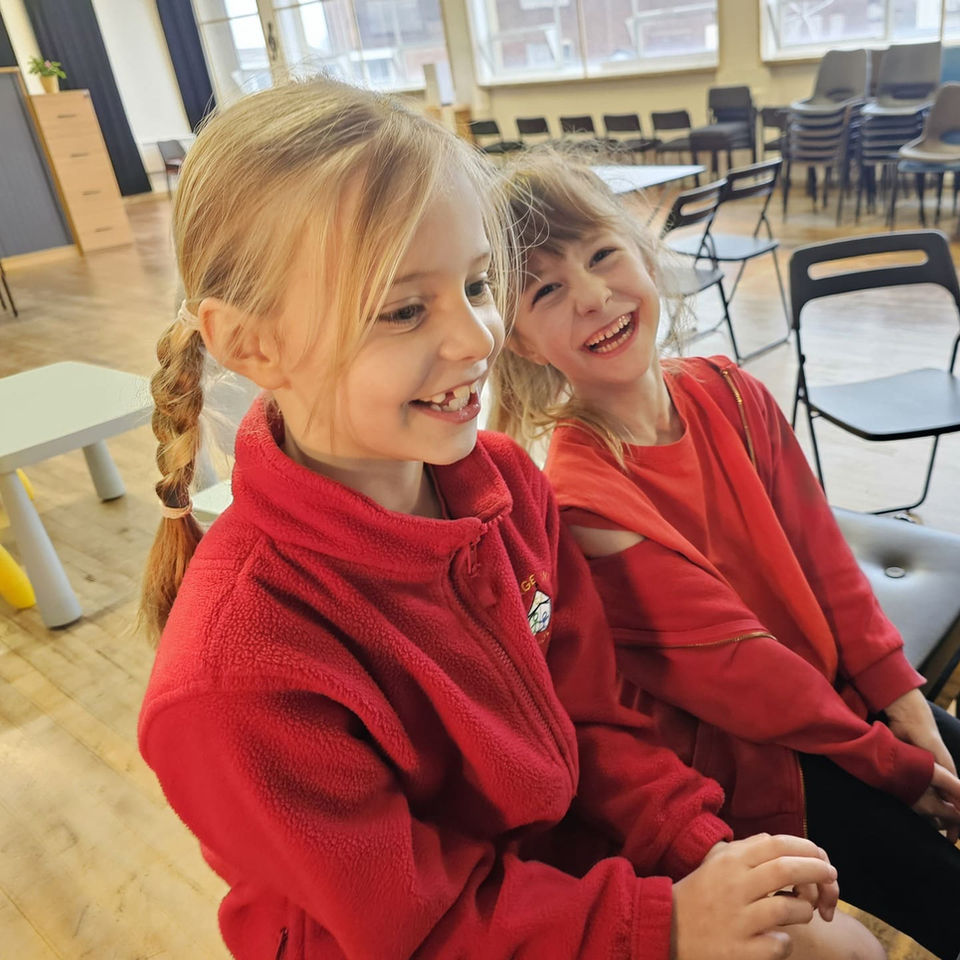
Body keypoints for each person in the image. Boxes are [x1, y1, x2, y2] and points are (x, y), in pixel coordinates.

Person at [138, 79, 865, 960]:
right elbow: (419, 923)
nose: (479, 337)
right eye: (405, 309)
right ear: (252, 344)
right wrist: (665, 925)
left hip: (563, 885)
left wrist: (708, 853)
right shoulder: (236, 672)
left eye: (479, 283)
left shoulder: (510, 487)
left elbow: (591, 724)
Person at [491, 150, 960, 959]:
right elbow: (749, 682)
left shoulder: (730, 389)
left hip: (838, 699)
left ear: (641, 250)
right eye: (547, 290)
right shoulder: (580, 496)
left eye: (602, 254)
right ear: (525, 343)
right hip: (759, 765)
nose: (595, 297)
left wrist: (905, 701)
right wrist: (900, 768)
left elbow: (827, 566)